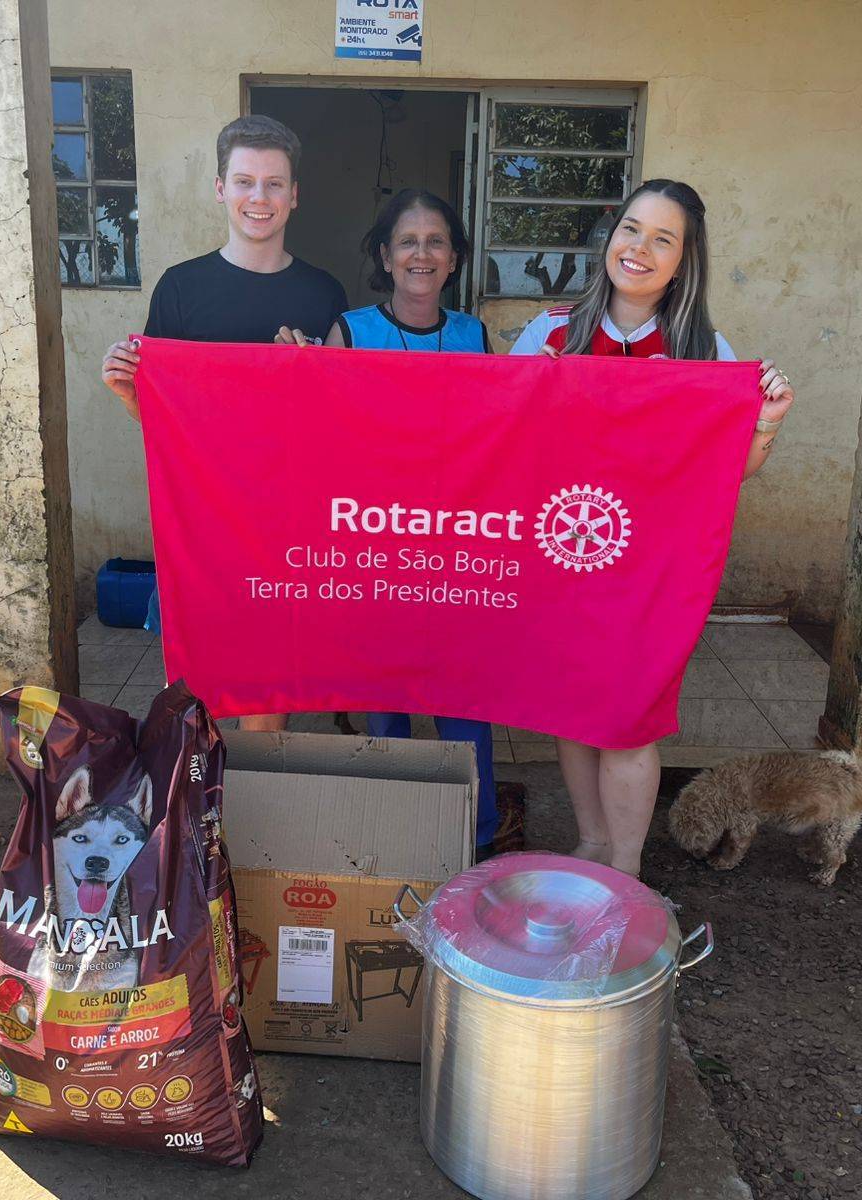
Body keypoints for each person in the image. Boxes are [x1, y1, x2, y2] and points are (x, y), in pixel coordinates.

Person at [510, 178, 796, 877]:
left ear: (684, 259)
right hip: (567, 551)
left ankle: (627, 871)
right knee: (573, 711)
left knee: (630, 718)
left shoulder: (707, 351)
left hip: (653, 569)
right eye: (631, 229)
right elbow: (505, 450)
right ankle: (591, 843)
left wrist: (765, 422)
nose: (639, 249)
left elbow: (734, 470)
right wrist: (528, 396)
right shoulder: (549, 332)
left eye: (662, 239)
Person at [293, 188, 522, 859]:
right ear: (386, 257)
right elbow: (317, 435)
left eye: (436, 242)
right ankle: (390, 834)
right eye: (407, 242)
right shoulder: (348, 331)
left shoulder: (473, 337)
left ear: (453, 259)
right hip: (375, 548)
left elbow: (500, 437)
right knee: (384, 703)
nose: (421, 253)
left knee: (463, 702)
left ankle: (468, 839)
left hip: (455, 550)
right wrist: (294, 374)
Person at [101, 115, 347, 732]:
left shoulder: (324, 293)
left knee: (269, 683)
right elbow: (165, 430)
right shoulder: (180, 289)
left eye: (273, 184)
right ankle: (205, 810)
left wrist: (308, 376)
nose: (257, 199)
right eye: (244, 181)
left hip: (287, 517)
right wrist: (127, 390)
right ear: (219, 188)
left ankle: (255, 805)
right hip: (202, 520)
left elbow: (340, 426)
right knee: (200, 684)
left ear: (295, 194)